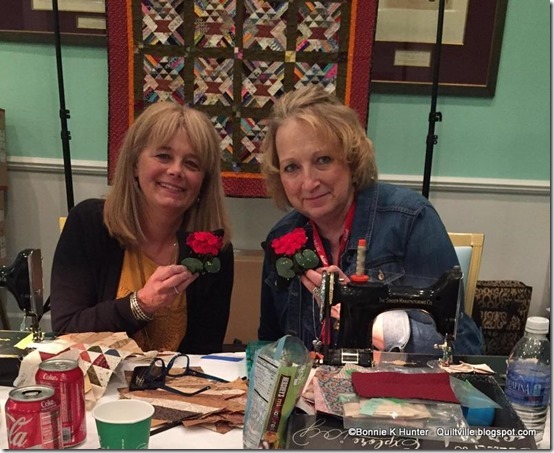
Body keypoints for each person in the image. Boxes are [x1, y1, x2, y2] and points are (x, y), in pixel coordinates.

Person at [258, 85, 483, 355]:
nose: (308, 183)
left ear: (351, 160)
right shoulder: (281, 238)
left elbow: (466, 347)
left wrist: (382, 325)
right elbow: (269, 346)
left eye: (323, 160)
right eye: (291, 167)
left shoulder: (410, 221)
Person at [50, 102, 234, 354]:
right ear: (135, 165)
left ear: (204, 182)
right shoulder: (88, 222)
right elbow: (67, 329)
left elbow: (204, 352)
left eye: (192, 164)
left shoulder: (214, 250)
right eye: (163, 156)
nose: (176, 170)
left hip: (177, 379)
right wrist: (141, 304)